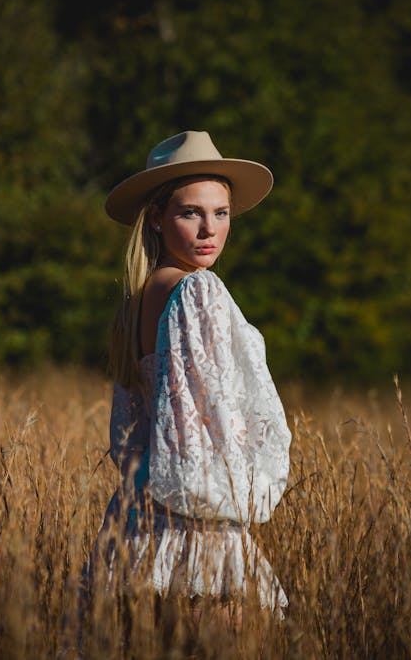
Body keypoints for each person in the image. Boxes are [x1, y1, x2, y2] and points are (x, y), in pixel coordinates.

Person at [88, 130, 291, 627]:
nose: (209, 230)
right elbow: (213, 421)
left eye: (220, 213)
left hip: (137, 520)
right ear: (155, 218)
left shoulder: (141, 297)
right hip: (194, 522)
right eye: (190, 213)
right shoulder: (195, 290)